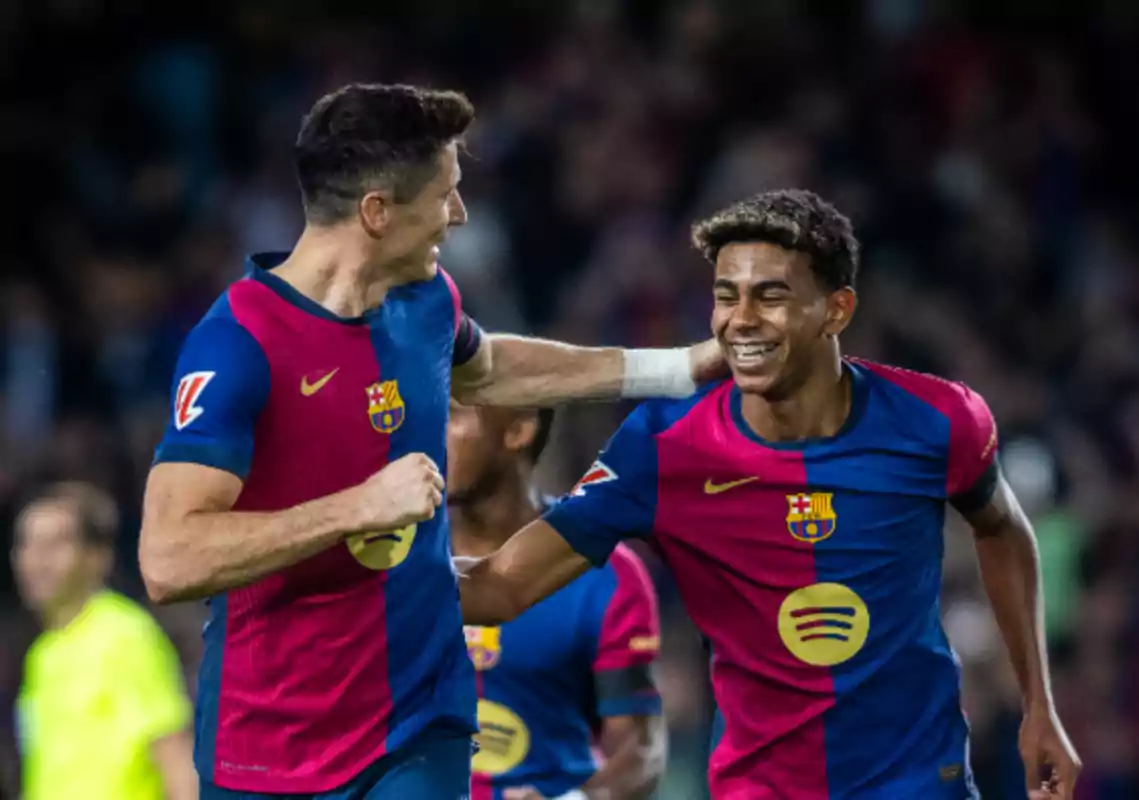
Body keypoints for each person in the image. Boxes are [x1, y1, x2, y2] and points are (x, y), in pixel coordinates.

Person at [138, 82, 720, 800]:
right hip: (265, 743)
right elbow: (168, 559)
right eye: (444, 194)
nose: (460, 212)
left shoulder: (426, 299)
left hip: (416, 727)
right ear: (377, 212)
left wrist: (675, 367)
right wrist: (355, 507)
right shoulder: (237, 344)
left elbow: (492, 369)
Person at [455, 189, 1084, 799]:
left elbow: (1000, 526)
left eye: (771, 295)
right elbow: (500, 586)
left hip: (919, 782)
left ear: (837, 310)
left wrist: (1038, 705)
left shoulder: (938, 420)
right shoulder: (662, 446)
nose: (741, 319)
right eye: (726, 296)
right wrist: (365, 553)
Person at [447, 403, 665, 800]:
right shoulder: (397, 561)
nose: (432, 428)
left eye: (453, 414)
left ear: (518, 430)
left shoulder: (604, 573)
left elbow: (640, 746)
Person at [13, 482, 196, 800]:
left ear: (98, 557)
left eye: (56, 544)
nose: (38, 560)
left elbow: (175, 757)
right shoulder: (42, 654)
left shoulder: (126, 635)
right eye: (27, 544)